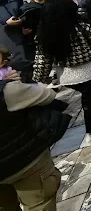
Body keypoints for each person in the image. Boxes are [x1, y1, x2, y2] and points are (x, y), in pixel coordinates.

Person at [33, 0, 91, 134]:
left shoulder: (45, 35)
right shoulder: (83, 28)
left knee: (86, 98)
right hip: (89, 72)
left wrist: (39, 79)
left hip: (66, 76)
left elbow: (42, 60)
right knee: (89, 102)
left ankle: (87, 128)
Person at [0, 71, 70, 211]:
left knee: (6, 207)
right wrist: (18, 82)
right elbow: (48, 94)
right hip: (27, 161)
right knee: (40, 204)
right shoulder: (8, 90)